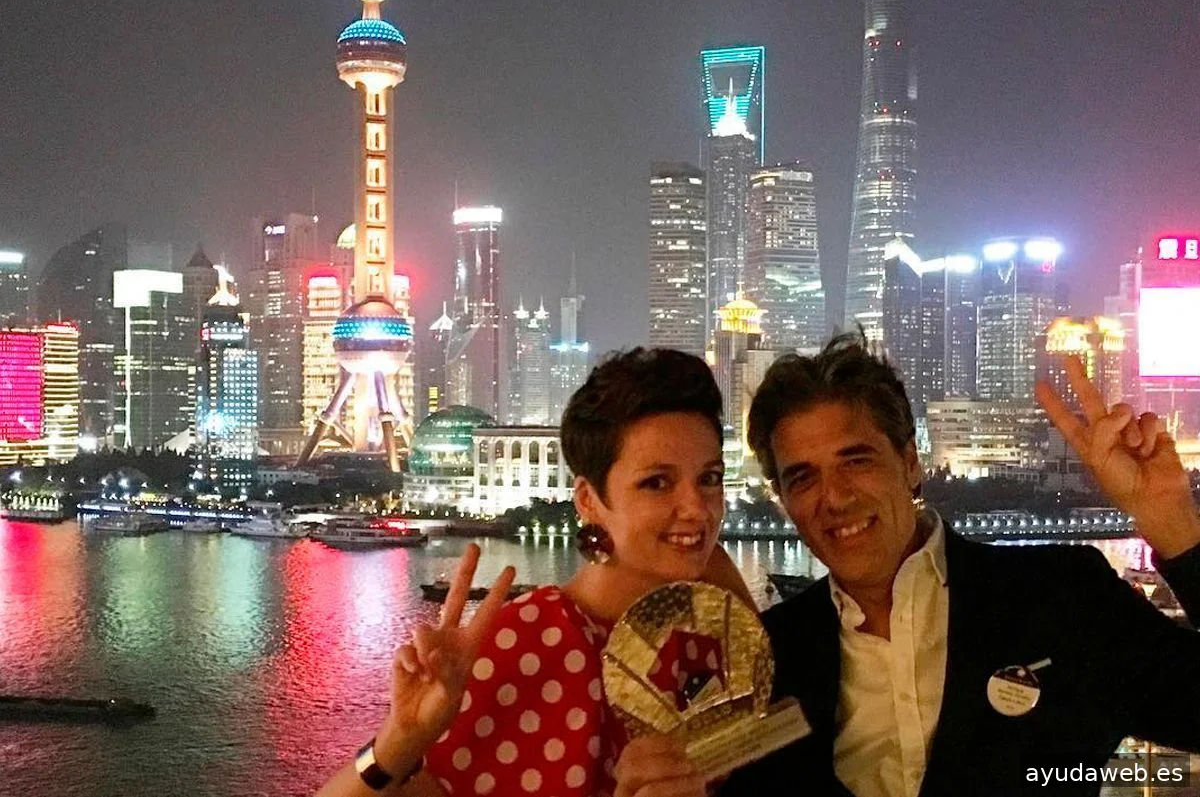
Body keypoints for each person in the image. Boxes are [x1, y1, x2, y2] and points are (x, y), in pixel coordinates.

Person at [616, 331, 1200, 797]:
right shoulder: (768, 660)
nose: (834, 497)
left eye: (857, 460)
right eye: (803, 477)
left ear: (910, 461)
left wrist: (1175, 526)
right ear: (784, 500)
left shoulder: (1058, 598)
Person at [318, 347, 752, 797]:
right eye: (657, 483)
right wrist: (399, 742)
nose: (697, 508)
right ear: (588, 501)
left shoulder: (714, 628)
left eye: (709, 478)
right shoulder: (534, 639)